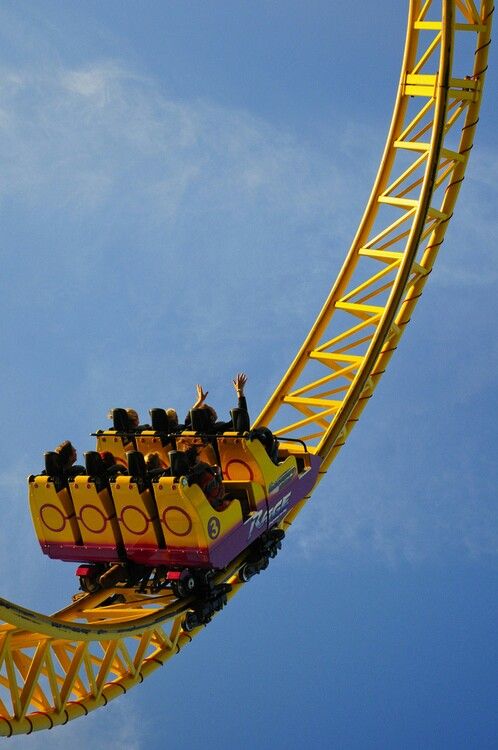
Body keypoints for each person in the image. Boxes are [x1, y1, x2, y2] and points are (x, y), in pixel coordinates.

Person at [184, 372, 249, 433]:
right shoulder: (216, 426)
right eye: (213, 410)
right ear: (210, 417)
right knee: (238, 412)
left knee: (237, 412)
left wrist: (239, 392)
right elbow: (189, 420)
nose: (215, 411)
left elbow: (240, 418)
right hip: (200, 439)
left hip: (214, 441)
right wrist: (239, 392)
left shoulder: (215, 427)